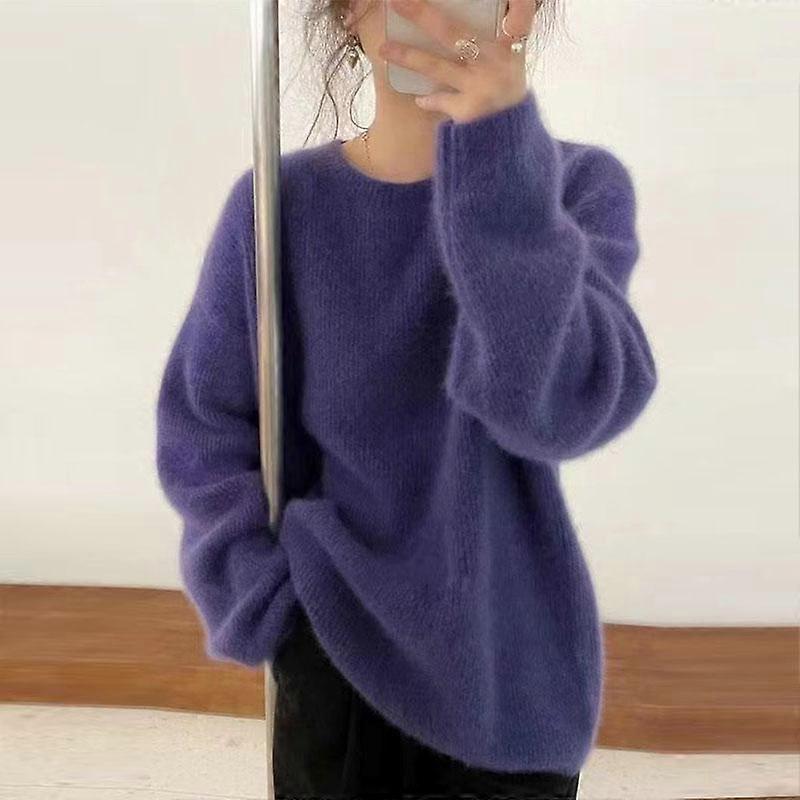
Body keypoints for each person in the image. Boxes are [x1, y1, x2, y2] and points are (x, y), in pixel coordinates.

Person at [155, 0, 658, 797]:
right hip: (333, 647)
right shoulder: (278, 206)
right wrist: (262, 598)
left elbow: (556, 410)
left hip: (513, 670)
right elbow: (207, 424)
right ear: (349, 11)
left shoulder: (575, 191)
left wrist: (500, 160)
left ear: (516, 12)